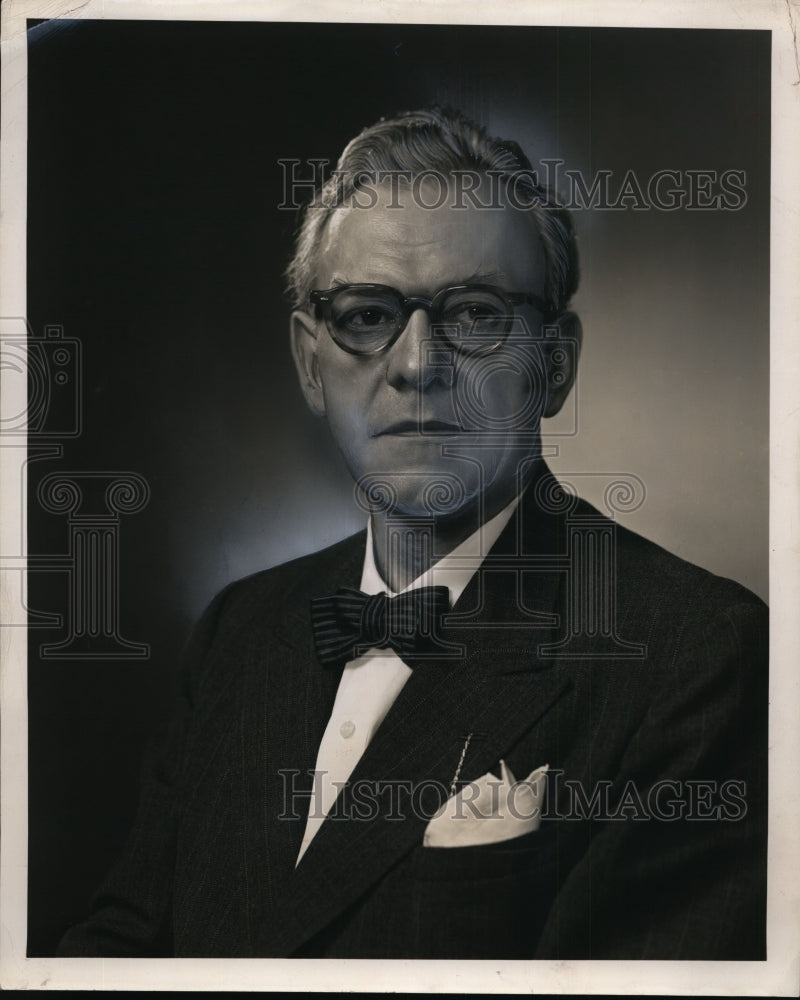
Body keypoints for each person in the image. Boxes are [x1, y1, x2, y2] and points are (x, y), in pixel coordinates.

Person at [57, 107, 767, 960]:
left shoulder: (697, 655)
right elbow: (122, 949)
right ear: (309, 363)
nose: (417, 363)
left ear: (555, 366)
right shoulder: (237, 630)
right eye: (365, 314)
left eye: (473, 314)